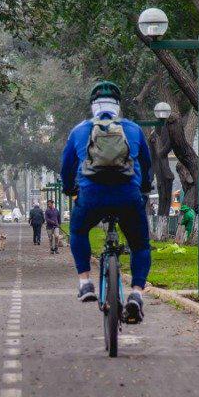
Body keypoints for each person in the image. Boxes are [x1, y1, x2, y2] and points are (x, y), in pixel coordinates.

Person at [60, 80, 153, 323]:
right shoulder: (133, 129)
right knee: (140, 245)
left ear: (93, 106)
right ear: (118, 106)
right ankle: (136, 293)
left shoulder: (79, 131)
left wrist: (70, 188)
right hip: (127, 196)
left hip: (92, 196)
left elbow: (66, 166)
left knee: (78, 231)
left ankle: (86, 283)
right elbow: (147, 163)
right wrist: (143, 188)